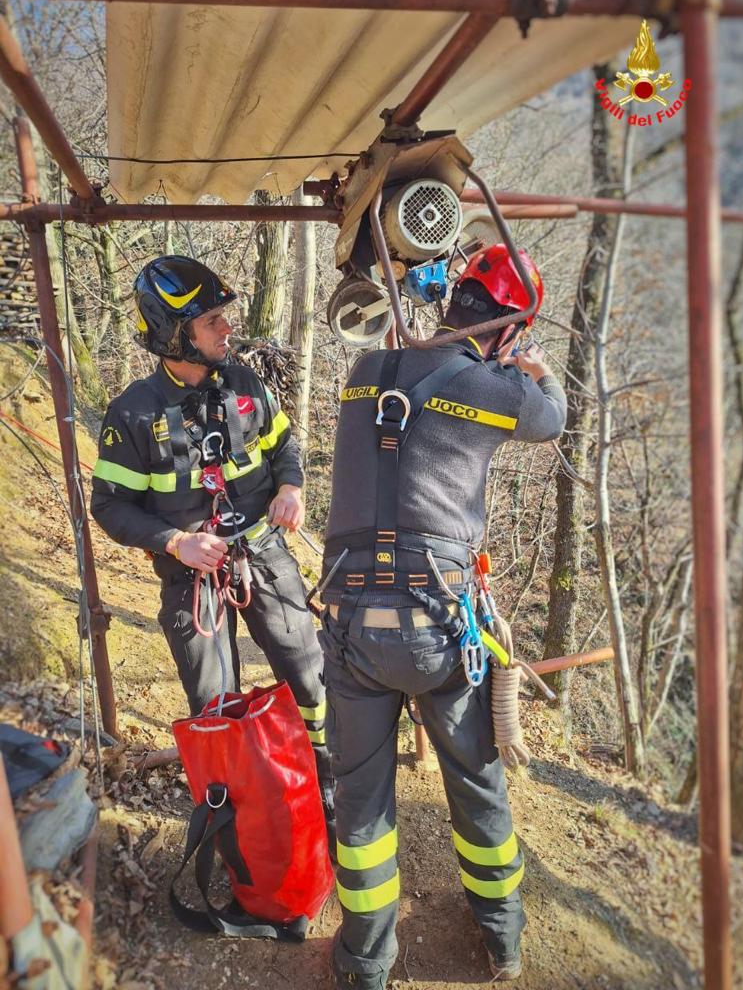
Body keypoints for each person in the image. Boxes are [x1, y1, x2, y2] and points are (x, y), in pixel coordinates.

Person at [319, 243, 567, 987]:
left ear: (454, 302)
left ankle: (364, 961)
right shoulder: (500, 388)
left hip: (354, 625)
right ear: (509, 326)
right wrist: (535, 368)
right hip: (436, 627)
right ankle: (503, 938)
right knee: (476, 782)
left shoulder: (366, 372)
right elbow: (552, 420)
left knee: (362, 803)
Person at [90, 255, 333, 838]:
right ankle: (242, 815)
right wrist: (175, 541)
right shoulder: (133, 414)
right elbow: (110, 506)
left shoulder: (247, 385)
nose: (228, 329)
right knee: (214, 701)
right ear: (177, 336)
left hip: (266, 556)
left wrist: (292, 487)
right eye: (213, 322)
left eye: (224, 318)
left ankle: (327, 779)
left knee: (307, 672)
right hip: (192, 578)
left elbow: (284, 448)